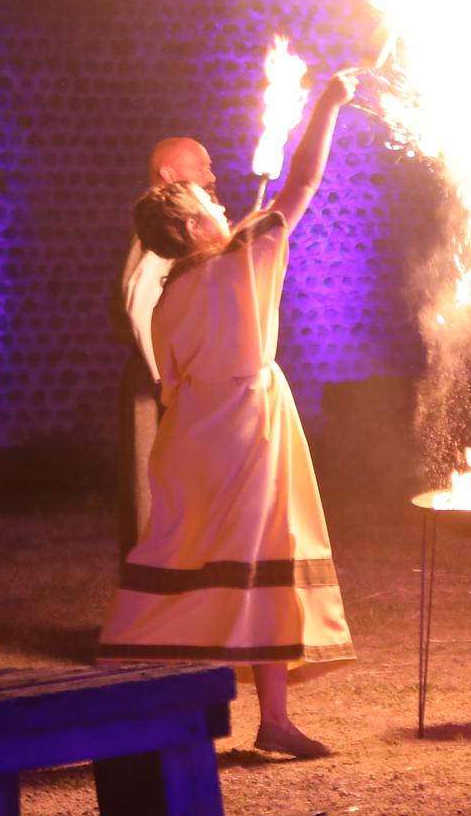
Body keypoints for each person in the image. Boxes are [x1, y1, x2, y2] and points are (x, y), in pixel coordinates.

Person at [94, 69, 360, 758]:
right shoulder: (244, 257)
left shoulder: (171, 293)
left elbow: (173, 377)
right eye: (205, 199)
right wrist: (329, 103)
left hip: (196, 440)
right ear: (187, 225)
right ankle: (130, 698)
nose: (219, 201)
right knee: (250, 560)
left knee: (206, 560)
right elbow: (301, 184)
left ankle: (270, 718)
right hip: (245, 434)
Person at [114, 137, 219, 558]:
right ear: (170, 176)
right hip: (161, 385)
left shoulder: (182, 232)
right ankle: (150, 606)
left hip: (176, 381)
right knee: (155, 495)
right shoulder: (163, 232)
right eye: (202, 167)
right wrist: (167, 382)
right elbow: (141, 306)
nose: (211, 176)